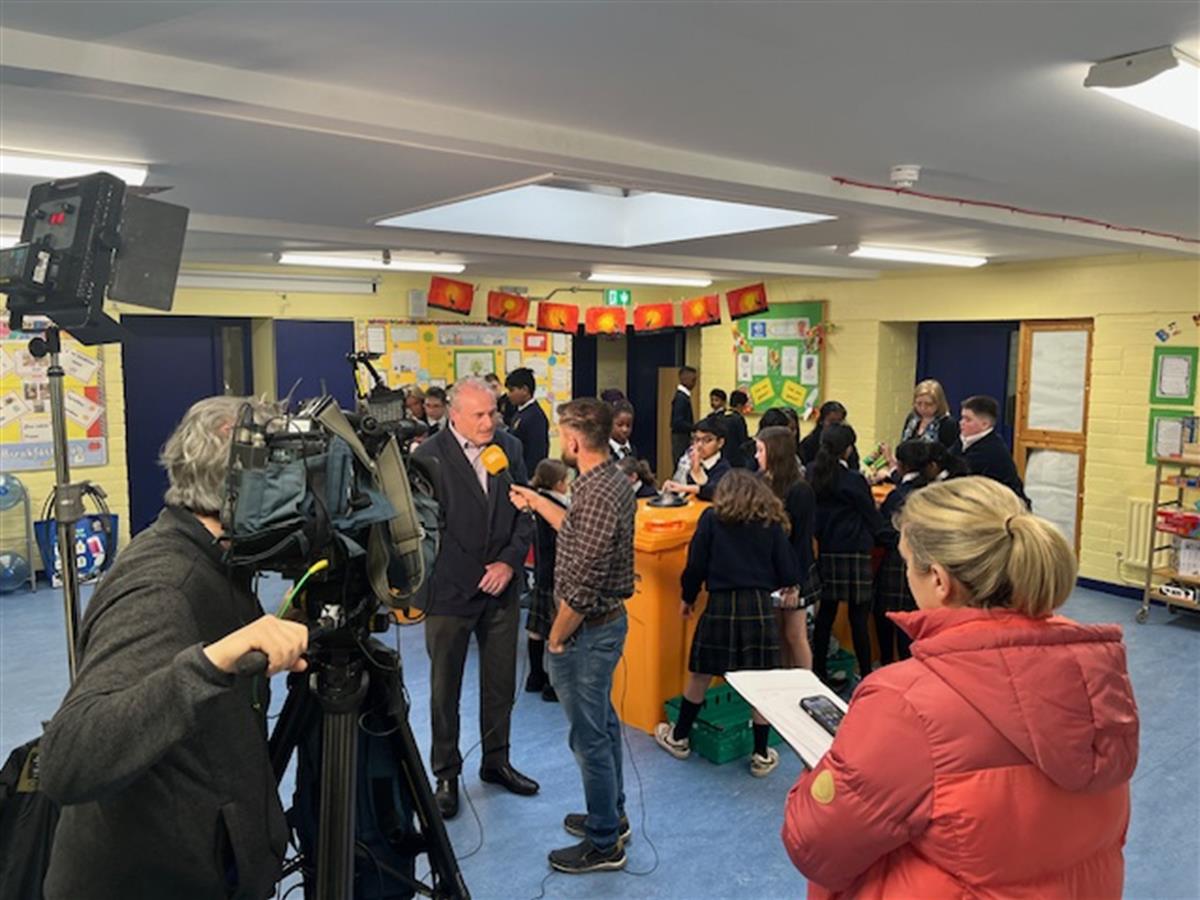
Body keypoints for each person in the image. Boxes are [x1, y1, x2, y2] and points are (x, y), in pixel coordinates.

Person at [783, 477, 1139, 898]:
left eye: (906, 562)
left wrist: (824, 770)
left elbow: (815, 843)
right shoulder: (1096, 679)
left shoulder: (905, 703)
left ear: (939, 579)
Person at [38, 396, 309, 900]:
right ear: (245, 488)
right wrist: (210, 664)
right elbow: (69, 758)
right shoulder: (164, 586)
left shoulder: (218, 559)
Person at [510, 398, 637, 875]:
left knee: (589, 739)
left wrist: (557, 639)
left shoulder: (598, 492)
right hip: (599, 628)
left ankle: (603, 844)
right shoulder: (602, 480)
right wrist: (538, 501)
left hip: (587, 633)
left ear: (574, 440)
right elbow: (577, 531)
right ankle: (611, 816)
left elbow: (583, 583)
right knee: (601, 725)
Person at [412, 378, 538, 819]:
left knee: (500, 682)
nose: (489, 422)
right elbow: (427, 533)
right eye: (479, 415)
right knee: (444, 688)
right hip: (449, 592)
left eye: (493, 413)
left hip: (501, 589)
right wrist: (477, 575)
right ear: (455, 415)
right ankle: (446, 774)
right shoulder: (427, 457)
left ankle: (496, 761)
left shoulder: (510, 448)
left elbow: (525, 510)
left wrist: (508, 564)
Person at [654, 470, 801, 777]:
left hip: (720, 604)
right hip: (759, 607)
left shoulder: (711, 519)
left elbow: (696, 564)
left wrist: (688, 597)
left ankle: (679, 737)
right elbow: (788, 571)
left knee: (701, 674)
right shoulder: (770, 523)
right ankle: (761, 754)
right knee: (761, 683)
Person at [810, 423, 881, 681]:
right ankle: (865, 672)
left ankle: (818, 669)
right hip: (854, 551)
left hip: (827, 549)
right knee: (858, 617)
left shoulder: (814, 474)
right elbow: (870, 515)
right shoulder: (853, 479)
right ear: (848, 449)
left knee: (825, 614)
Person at [756, 426, 820, 669]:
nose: (756, 456)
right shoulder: (761, 481)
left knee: (795, 635)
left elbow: (802, 542)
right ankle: (783, 681)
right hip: (770, 571)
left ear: (775, 453)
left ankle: (806, 684)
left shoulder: (800, 490)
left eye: (761, 450)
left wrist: (794, 583)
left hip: (794, 572)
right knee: (778, 636)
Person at [872, 440, 940, 664]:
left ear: (900, 466)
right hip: (928, 564)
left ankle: (886, 665)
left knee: (888, 621)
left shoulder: (898, 495)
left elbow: (882, 531)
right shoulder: (934, 492)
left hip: (896, 564)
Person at [524, 459, 571, 703]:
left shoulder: (534, 501)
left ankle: (535, 675)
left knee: (536, 628)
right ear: (558, 483)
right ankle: (554, 684)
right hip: (557, 572)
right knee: (557, 629)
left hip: (541, 571)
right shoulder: (556, 506)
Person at [953, 394, 1030, 505]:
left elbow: (958, 475)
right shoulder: (963, 441)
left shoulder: (991, 450)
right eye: (962, 418)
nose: (961, 423)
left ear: (985, 424)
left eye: (968, 420)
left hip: (1005, 506)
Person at [663, 414, 731, 501]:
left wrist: (696, 473)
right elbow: (678, 485)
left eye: (707, 440)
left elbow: (715, 491)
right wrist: (672, 486)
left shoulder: (723, 467)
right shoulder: (688, 459)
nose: (699, 445)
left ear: (720, 443)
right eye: (696, 439)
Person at [506, 367, 550, 467]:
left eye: (512, 390)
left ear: (525, 390)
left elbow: (537, 454)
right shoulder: (520, 412)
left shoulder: (535, 417)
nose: (508, 395)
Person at [797, 401, 847, 468]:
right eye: (831, 421)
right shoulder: (809, 443)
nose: (835, 426)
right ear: (821, 421)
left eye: (839, 421)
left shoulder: (846, 443)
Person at [669, 365, 698, 465]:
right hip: (680, 438)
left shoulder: (684, 396)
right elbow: (677, 422)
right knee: (681, 464)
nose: (695, 383)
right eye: (693, 380)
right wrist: (694, 427)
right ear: (684, 378)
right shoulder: (681, 398)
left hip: (683, 436)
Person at [721, 389, 752, 469]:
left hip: (723, 457)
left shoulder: (722, 416)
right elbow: (743, 440)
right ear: (739, 405)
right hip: (736, 459)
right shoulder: (738, 419)